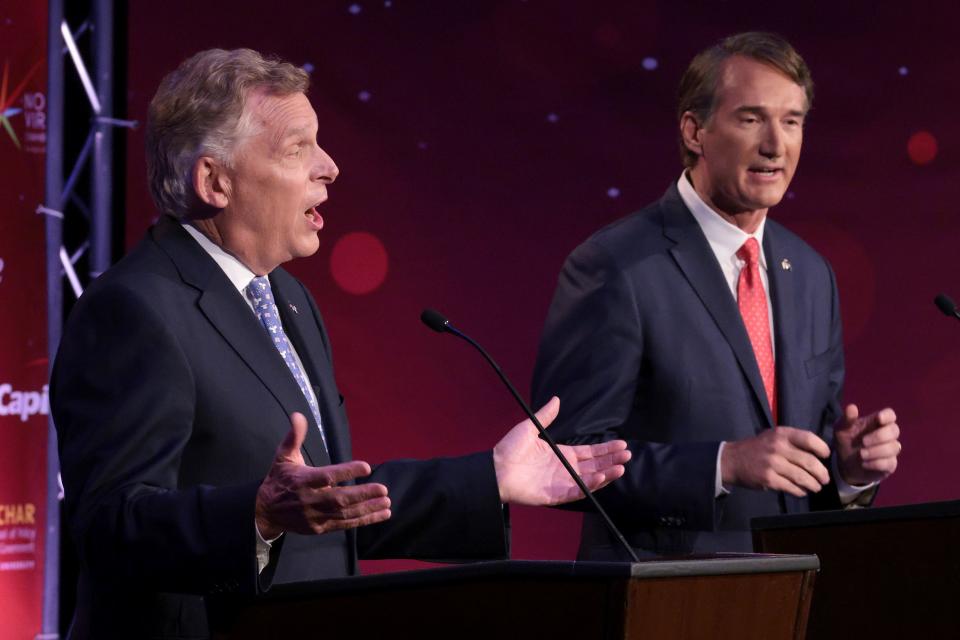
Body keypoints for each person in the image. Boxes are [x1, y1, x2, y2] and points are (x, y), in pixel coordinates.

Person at [50, 48, 631, 639]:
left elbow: (331, 505)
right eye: (298, 148)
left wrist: (491, 479)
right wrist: (256, 515)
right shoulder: (134, 309)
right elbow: (107, 526)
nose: (329, 167)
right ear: (215, 180)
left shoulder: (290, 302)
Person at [531, 32, 901, 559]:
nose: (776, 144)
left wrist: (847, 473)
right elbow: (562, 458)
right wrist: (721, 465)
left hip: (790, 594)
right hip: (666, 599)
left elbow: (798, 465)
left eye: (792, 121)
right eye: (751, 119)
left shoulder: (813, 274)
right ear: (695, 130)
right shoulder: (616, 266)